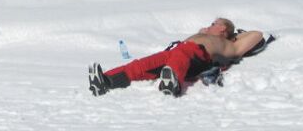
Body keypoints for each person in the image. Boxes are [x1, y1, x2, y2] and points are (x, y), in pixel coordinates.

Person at [88, 18, 264, 97]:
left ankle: (173, 82)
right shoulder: (204, 34)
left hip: (198, 58)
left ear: (223, 29)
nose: (209, 25)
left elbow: (257, 34)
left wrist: (235, 34)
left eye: (214, 23)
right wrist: (199, 33)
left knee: (180, 55)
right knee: (143, 65)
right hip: (177, 54)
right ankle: (106, 81)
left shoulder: (228, 44)